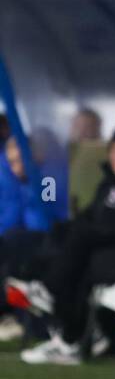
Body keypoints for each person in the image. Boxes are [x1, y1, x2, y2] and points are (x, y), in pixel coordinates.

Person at [10, 125, 115, 365]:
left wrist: (90, 231)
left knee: (76, 262)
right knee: (56, 246)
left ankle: (70, 332)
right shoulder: (109, 184)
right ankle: (71, 332)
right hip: (103, 250)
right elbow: (91, 217)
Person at [0, 133, 58, 341]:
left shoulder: (48, 180)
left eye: (22, 159)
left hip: (36, 241)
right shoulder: (3, 178)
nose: (18, 166)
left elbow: (42, 223)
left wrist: (31, 186)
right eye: (12, 160)